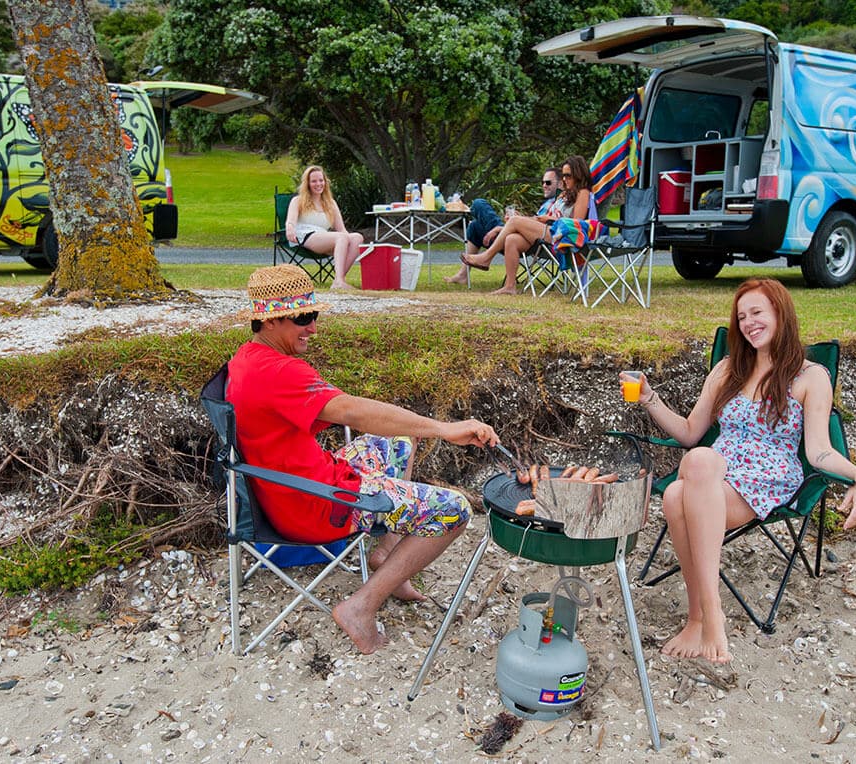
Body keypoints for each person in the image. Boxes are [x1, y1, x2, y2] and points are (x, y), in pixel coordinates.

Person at [226, 264, 500, 654]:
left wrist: (424, 428)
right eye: (302, 318)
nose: (313, 328)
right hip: (315, 501)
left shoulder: (247, 359)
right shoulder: (279, 372)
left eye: (314, 315)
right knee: (454, 510)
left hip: (289, 483)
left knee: (403, 439)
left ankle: (388, 555)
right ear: (269, 320)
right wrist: (444, 427)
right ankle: (360, 606)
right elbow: (352, 411)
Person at [620, 278, 856, 664]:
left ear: (780, 314)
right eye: (741, 317)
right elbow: (690, 433)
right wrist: (649, 398)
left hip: (765, 481)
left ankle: (708, 614)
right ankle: (698, 617)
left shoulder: (810, 377)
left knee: (694, 471)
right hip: (712, 474)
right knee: (681, 485)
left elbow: (820, 451)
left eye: (758, 312)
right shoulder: (727, 369)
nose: (749, 323)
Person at [458, 158, 592, 295]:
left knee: (514, 221)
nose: (565, 179)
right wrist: (522, 219)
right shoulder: (564, 195)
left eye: (568, 175)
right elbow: (540, 219)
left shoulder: (583, 193)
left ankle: (486, 257)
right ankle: (510, 286)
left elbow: (577, 223)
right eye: (563, 175)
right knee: (512, 239)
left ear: (578, 174)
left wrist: (549, 218)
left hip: (563, 236)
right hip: (549, 230)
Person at [444, 167, 563, 287]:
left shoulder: (561, 203)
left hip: (532, 243)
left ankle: (486, 257)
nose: (544, 185)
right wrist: (517, 220)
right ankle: (463, 275)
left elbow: (545, 226)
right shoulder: (548, 204)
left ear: (560, 184)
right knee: (475, 226)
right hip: (518, 235)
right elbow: (535, 223)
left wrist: (503, 226)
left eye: (548, 182)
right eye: (542, 182)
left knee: (479, 204)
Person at [285, 165, 364, 290]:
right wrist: (289, 228)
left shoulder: (330, 203)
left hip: (325, 237)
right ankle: (339, 281)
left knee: (357, 238)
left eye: (321, 180)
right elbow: (291, 221)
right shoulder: (298, 200)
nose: (318, 184)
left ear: (325, 182)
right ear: (307, 184)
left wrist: (351, 241)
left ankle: (339, 280)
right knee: (341, 238)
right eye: (314, 181)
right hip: (305, 236)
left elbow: (342, 230)